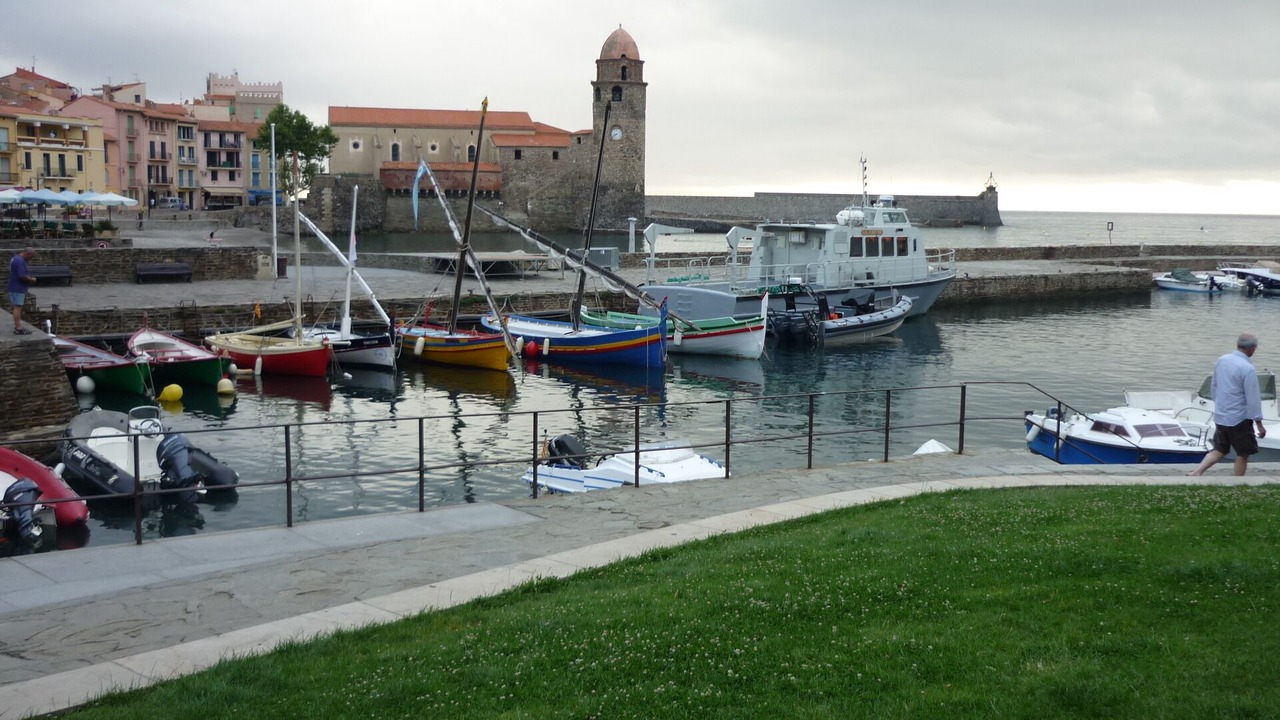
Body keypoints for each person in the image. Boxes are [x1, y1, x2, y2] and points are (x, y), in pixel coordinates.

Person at [1190, 333, 1267, 476]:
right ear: (1252, 348)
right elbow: (1253, 398)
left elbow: (1214, 385)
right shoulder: (1247, 368)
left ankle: (1197, 472)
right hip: (1239, 418)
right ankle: (1237, 481)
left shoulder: (1222, 360)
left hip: (1221, 415)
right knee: (1243, 453)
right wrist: (1259, 424)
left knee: (1220, 449)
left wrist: (1219, 404)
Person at [7, 247, 36, 334]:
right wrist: (32, 280)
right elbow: (22, 276)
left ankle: (18, 327)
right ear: (28, 254)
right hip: (17, 287)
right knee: (17, 307)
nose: (30, 260)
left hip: (15, 286)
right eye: (31, 257)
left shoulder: (16, 258)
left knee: (18, 307)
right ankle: (18, 328)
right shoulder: (19, 261)